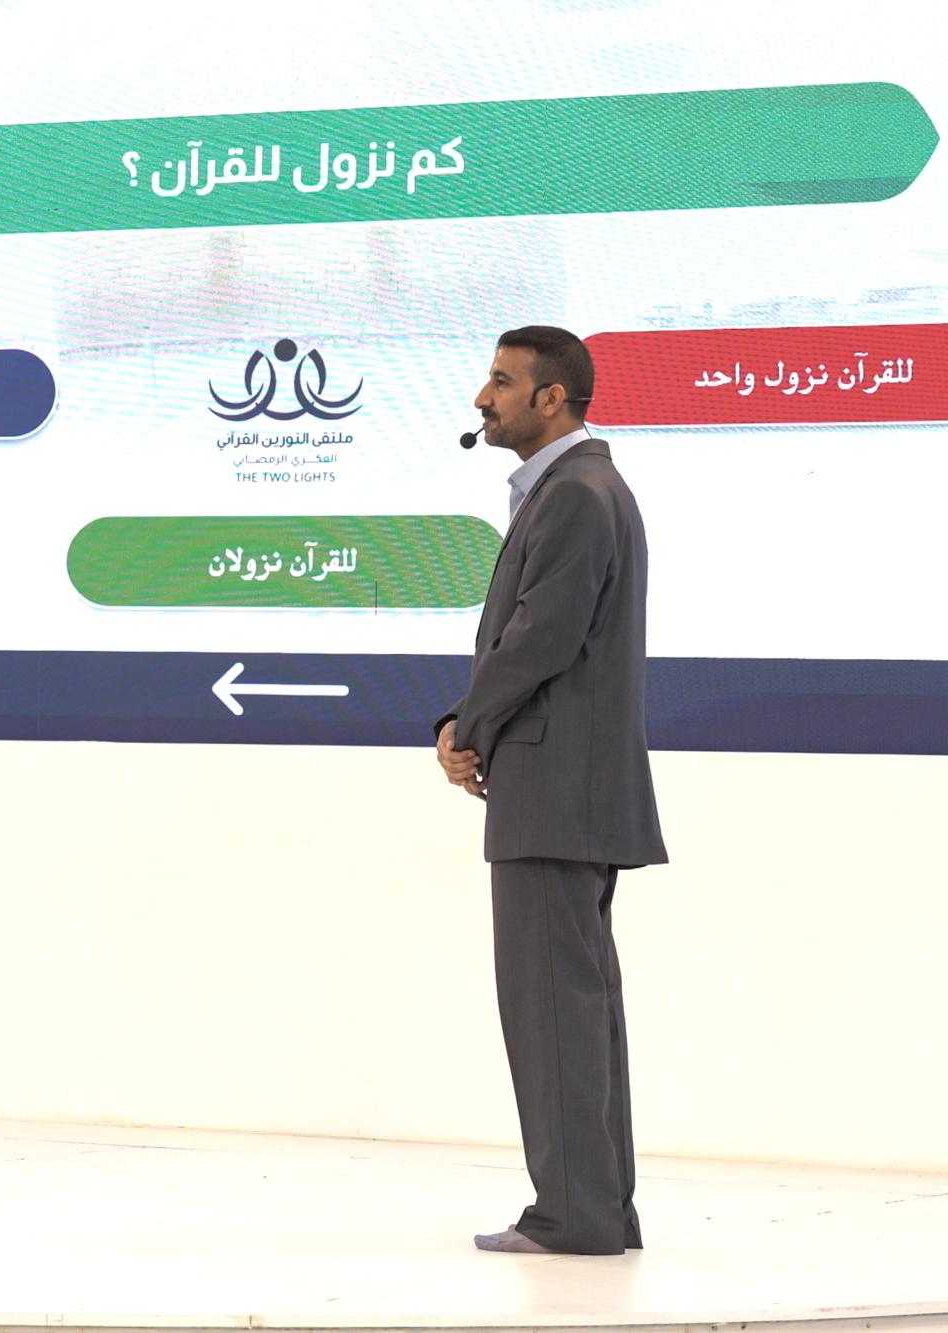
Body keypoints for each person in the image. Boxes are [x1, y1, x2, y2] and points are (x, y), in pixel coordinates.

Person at [434, 326, 667, 1254]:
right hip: (571, 789)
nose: (482, 398)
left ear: (552, 398)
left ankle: (574, 1215)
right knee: (578, 1006)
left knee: (553, 1010)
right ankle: (601, 1207)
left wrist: (468, 727)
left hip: (555, 789)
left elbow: (540, 636)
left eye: (500, 381)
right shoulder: (580, 488)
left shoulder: (573, 492)